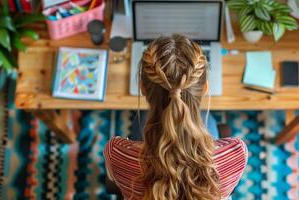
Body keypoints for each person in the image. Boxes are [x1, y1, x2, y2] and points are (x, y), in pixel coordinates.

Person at [104, 34, 247, 200]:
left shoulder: (116, 152)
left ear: (142, 88)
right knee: (212, 122)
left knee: (140, 122)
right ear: (205, 88)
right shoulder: (236, 153)